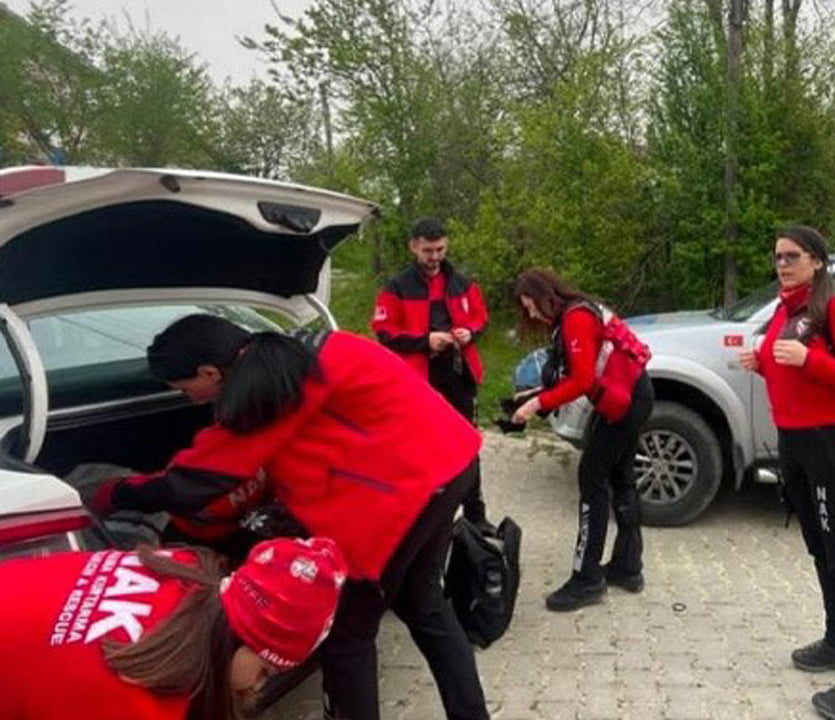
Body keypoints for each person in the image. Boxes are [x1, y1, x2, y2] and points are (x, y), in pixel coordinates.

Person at [90, 315, 489, 720]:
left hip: (403, 497)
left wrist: (110, 494)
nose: (190, 399)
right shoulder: (308, 348)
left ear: (210, 371)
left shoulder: (265, 390)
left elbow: (198, 480)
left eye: (184, 387)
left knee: (347, 639)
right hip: (450, 462)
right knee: (425, 606)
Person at [738, 226, 835, 720]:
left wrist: (812, 359)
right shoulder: (787, 311)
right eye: (777, 257)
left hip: (832, 444)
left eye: (792, 256)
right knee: (820, 548)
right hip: (796, 445)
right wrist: (762, 364)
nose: (782, 264)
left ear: (818, 262)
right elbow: (792, 373)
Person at [0, 537, 345, 720]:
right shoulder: (137, 701)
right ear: (243, 638)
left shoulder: (182, 569)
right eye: (266, 671)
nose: (258, 685)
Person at [510, 268, 653, 612]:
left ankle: (587, 580)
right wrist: (539, 394)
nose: (531, 315)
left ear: (545, 296)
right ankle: (627, 567)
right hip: (631, 396)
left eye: (530, 306)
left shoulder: (575, 319)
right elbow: (581, 374)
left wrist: (536, 404)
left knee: (591, 478)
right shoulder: (580, 309)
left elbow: (582, 380)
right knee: (620, 477)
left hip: (625, 402)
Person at [372, 216, 492, 531]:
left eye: (439, 249)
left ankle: (475, 516)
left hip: (458, 372)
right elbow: (384, 332)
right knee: (420, 446)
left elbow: (481, 317)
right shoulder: (397, 286)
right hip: (419, 376)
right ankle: (419, 514)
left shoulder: (461, 282)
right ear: (414, 247)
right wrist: (425, 341)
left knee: (468, 443)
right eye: (428, 250)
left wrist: (470, 332)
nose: (435, 257)